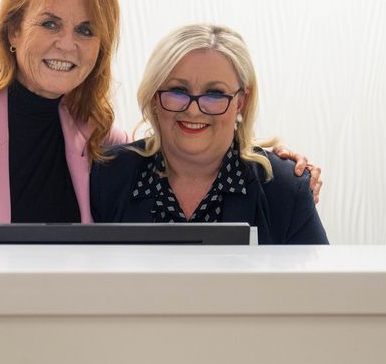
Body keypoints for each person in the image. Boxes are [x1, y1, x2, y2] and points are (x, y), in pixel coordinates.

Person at [0, 0, 320, 223]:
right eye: (50, 23)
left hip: (67, 345)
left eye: (86, 30)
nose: (67, 44)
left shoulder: (95, 131)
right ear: (13, 31)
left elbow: (177, 140)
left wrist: (272, 159)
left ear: (100, 49)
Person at [90, 23, 328, 244]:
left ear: (240, 102)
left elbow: (322, 288)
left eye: (214, 94)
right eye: (177, 90)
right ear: (154, 97)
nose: (193, 110)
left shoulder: (283, 187)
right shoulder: (107, 176)